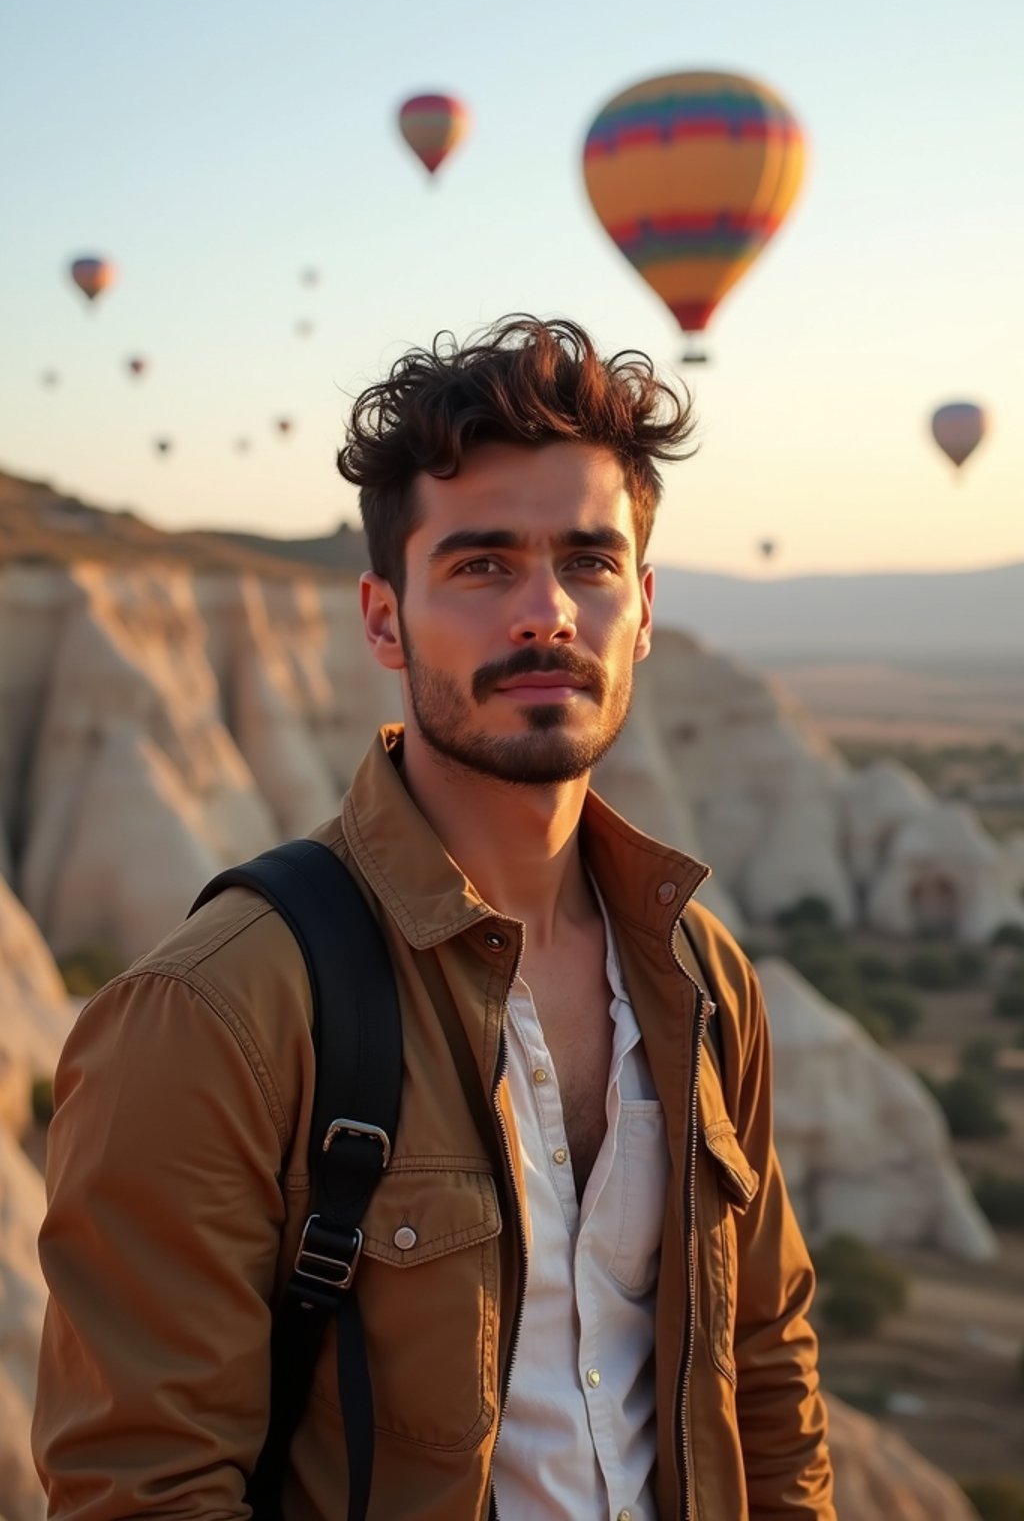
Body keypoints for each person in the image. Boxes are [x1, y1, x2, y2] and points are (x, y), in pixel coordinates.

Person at [33, 317, 835, 1520]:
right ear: (380, 618)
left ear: (645, 605)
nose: (545, 612)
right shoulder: (217, 1013)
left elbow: (765, 1377)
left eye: (588, 561)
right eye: (480, 564)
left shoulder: (702, 981)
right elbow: (141, 1486)